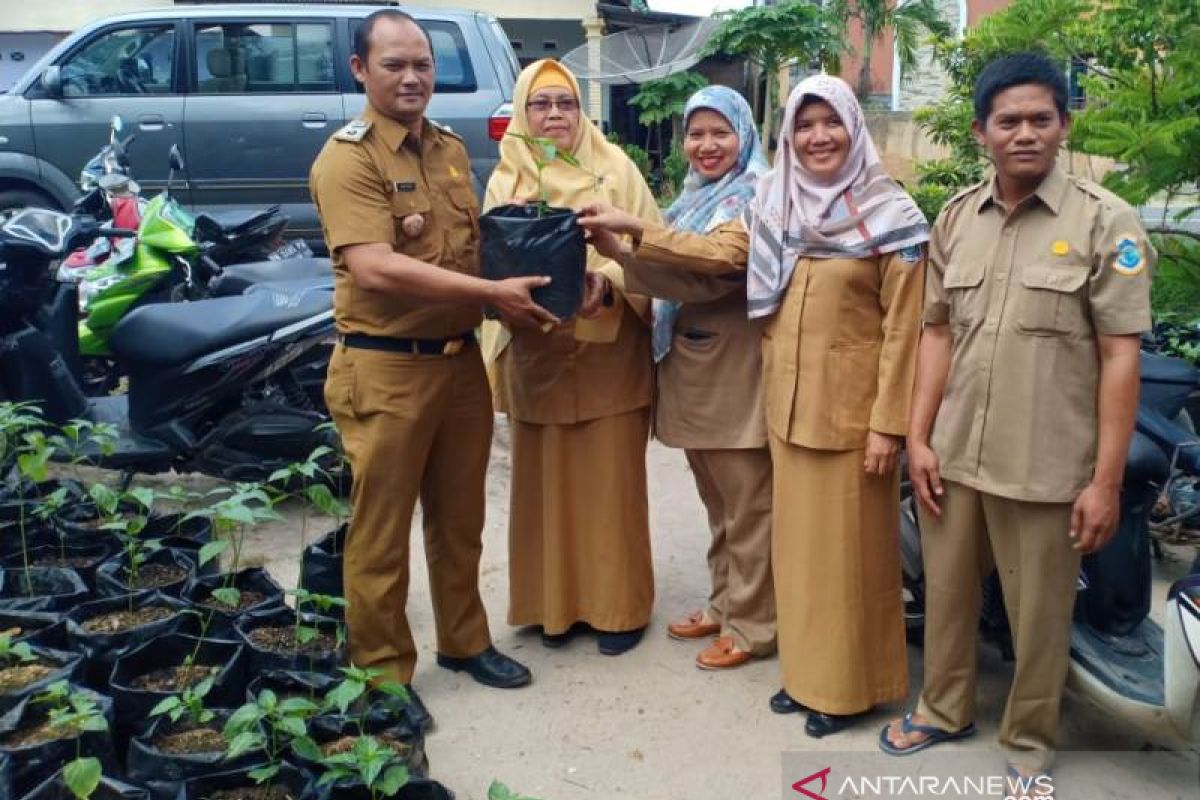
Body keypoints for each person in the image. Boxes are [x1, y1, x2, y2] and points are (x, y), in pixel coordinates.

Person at [580, 74, 928, 735]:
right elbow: (711, 265)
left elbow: (903, 331)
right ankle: (807, 672)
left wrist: (890, 425)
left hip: (849, 416)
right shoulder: (782, 207)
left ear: (855, 129)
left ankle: (842, 683)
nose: (818, 136)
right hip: (788, 404)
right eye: (804, 124)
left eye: (832, 123)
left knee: (845, 555)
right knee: (794, 548)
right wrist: (624, 256)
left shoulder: (888, 216)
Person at [879, 52, 1153, 785]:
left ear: (1064, 125)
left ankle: (1029, 743)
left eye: (1040, 119)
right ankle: (942, 709)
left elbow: (1120, 356)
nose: (1024, 133)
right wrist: (918, 436)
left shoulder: (1105, 223)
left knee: (1038, 616)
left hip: (1046, 460)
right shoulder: (958, 217)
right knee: (947, 592)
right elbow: (935, 332)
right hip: (956, 450)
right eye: (1009, 121)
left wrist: (1104, 482)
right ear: (981, 131)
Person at [309, 9, 556, 706]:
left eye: (422, 63)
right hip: (384, 368)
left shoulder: (447, 147)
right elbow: (376, 267)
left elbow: (472, 248)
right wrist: (490, 292)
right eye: (394, 65)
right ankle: (383, 675)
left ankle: (465, 641)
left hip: (457, 364)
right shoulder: (347, 158)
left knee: (459, 519)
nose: (412, 77)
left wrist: (551, 265)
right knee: (381, 534)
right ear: (361, 70)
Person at [481, 59, 663, 656]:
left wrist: (606, 282)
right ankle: (551, 608)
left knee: (609, 485)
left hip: (608, 350)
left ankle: (619, 609)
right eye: (540, 104)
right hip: (539, 352)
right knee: (546, 486)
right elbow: (489, 260)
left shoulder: (616, 168)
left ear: (581, 111)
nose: (554, 114)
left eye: (565, 103)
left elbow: (650, 243)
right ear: (522, 114)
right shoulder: (509, 177)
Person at [624, 85, 775, 670]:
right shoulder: (695, 197)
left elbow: (719, 261)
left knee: (748, 506)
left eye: (720, 132)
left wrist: (632, 236)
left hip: (734, 371)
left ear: (745, 134)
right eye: (696, 134)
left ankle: (754, 624)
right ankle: (722, 603)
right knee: (717, 501)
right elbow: (670, 268)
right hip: (693, 370)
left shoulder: (754, 193)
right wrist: (623, 252)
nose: (706, 145)